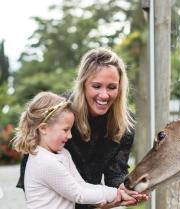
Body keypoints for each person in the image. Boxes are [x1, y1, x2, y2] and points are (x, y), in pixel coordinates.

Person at [16, 48, 148, 209]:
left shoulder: (124, 123)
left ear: (120, 88)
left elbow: (115, 173)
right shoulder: (62, 112)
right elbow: (33, 163)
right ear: (83, 84)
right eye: (96, 86)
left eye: (112, 87)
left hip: (90, 195)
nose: (104, 95)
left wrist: (124, 190)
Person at [12, 92, 136, 209]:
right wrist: (115, 194)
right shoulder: (44, 161)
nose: (70, 136)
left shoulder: (62, 153)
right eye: (65, 130)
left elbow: (81, 184)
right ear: (44, 128)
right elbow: (79, 194)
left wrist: (117, 192)